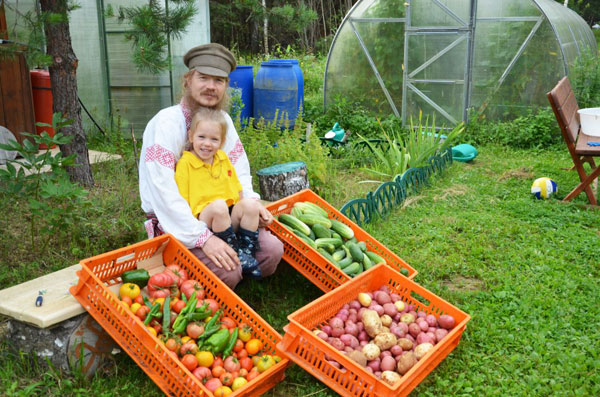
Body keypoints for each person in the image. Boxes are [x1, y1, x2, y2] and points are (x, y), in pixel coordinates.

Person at [139, 43, 283, 289]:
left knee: (272, 251)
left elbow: (238, 168)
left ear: (226, 86)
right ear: (188, 80)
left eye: (218, 80)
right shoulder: (165, 123)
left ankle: (234, 265)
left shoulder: (223, 120)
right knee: (230, 270)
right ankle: (221, 276)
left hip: (222, 214)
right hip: (178, 220)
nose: (210, 87)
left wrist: (250, 202)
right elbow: (163, 192)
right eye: (203, 78)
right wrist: (203, 238)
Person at [174, 107, 262, 279]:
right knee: (219, 206)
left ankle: (247, 251)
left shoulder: (222, 158)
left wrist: (245, 207)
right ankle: (234, 252)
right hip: (203, 219)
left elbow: (237, 189)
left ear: (221, 142)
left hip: (227, 217)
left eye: (214, 139)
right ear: (191, 136)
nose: (207, 143)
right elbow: (180, 199)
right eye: (201, 137)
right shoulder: (186, 163)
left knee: (250, 205)